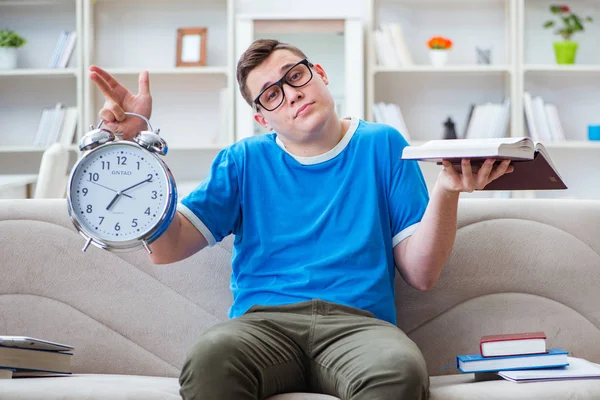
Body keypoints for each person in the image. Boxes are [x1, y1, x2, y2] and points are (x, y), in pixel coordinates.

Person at [89, 39, 514, 400]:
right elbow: (165, 250)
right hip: (263, 327)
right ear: (262, 117)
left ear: (320, 74)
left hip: (359, 326)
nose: (290, 94)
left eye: (294, 76)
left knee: (399, 370)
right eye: (271, 94)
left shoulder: (383, 145)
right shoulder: (243, 160)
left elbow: (422, 274)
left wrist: (446, 188)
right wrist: (132, 149)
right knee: (210, 358)